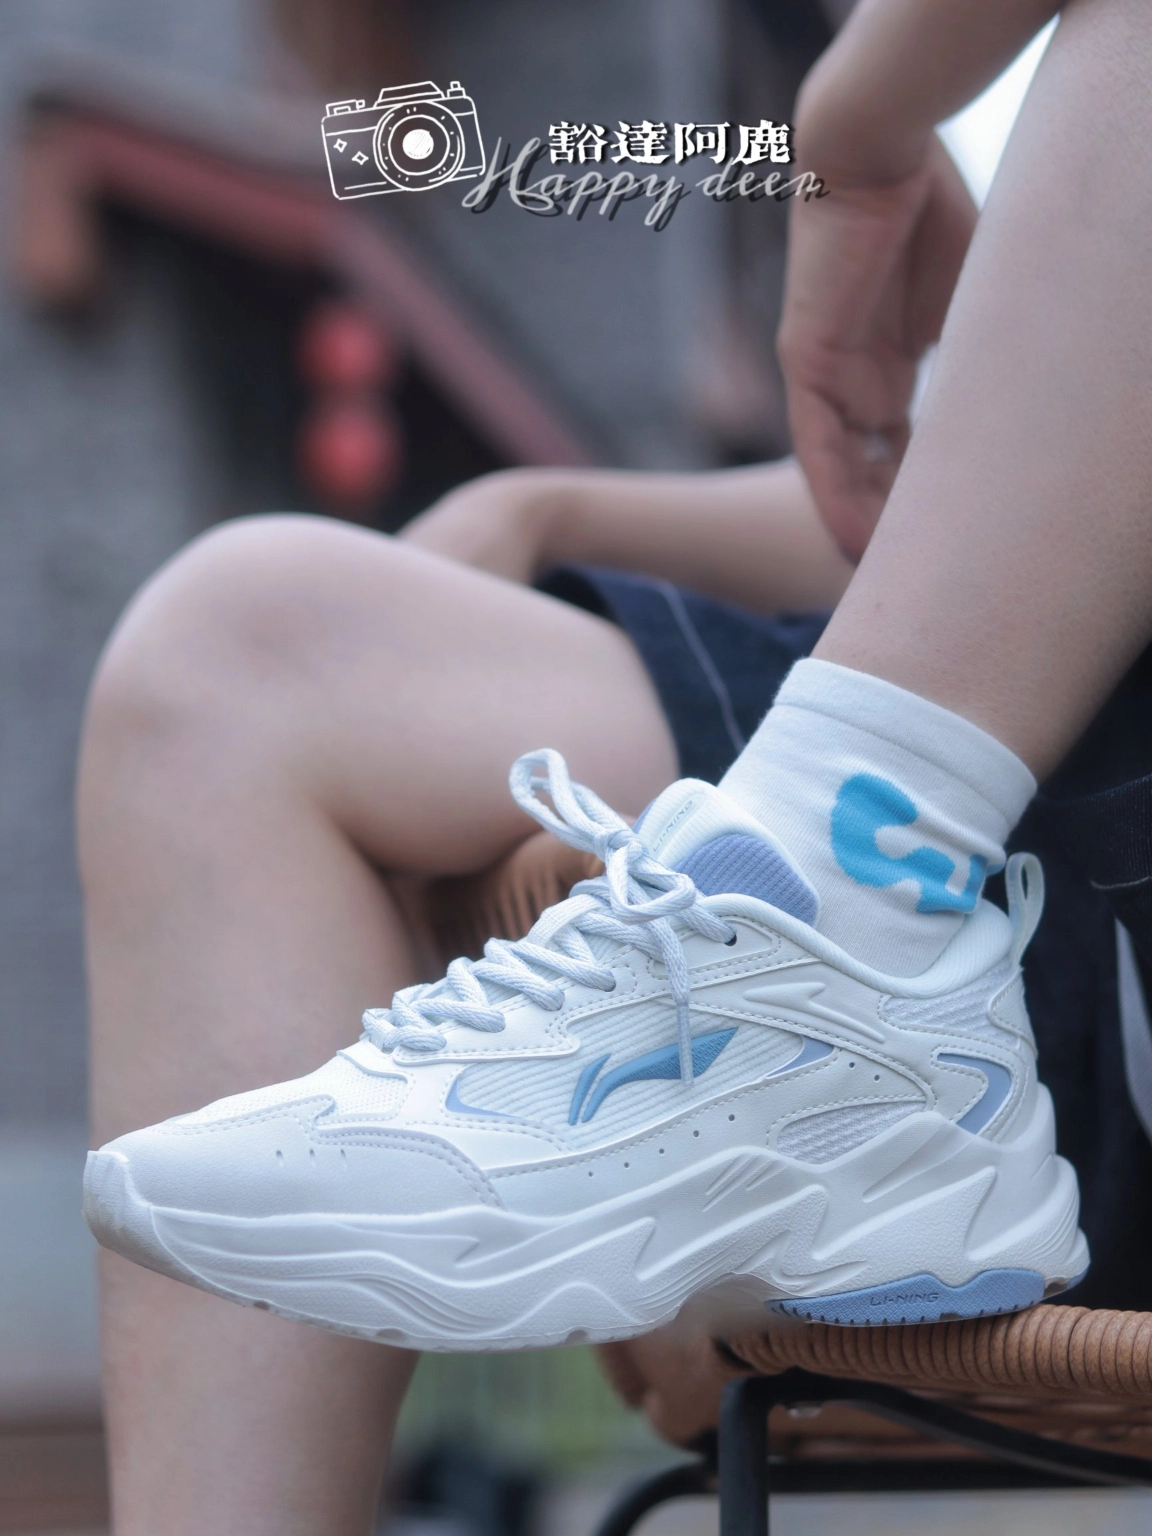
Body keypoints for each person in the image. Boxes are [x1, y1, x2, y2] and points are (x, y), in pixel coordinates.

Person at [77, 0, 1152, 1530]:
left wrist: (862, 112)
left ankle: (838, 930)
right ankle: (831, 955)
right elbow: (1012, 517)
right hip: (1026, 930)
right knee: (242, 654)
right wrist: (555, 511)